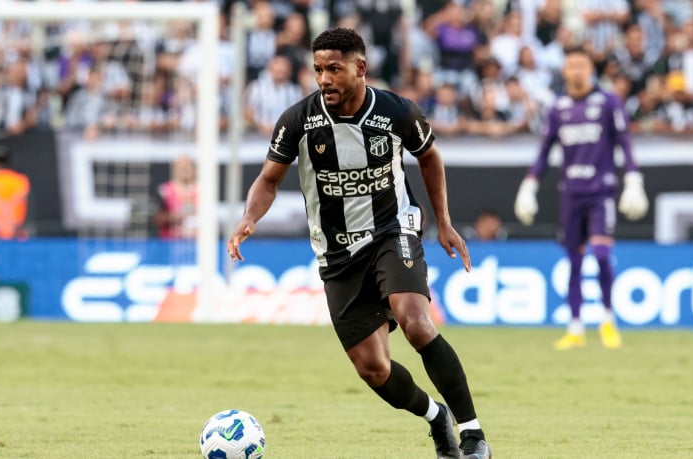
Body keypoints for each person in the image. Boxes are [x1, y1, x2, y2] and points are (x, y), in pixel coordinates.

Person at [227, 28, 491, 459]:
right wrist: (249, 218)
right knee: (373, 368)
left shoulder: (396, 112)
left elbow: (429, 156)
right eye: (318, 70)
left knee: (415, 322)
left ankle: (474, 436)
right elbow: (268, 179)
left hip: (393, 230)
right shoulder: (298, 120)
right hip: (337, 254)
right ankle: (435, 416)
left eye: (334, 69)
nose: (324, 79)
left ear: (360, 67)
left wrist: (443, 222)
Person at [513, 47, 649, 350]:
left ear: (591, 70)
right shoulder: (558, 108)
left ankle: (608, 320)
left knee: (601, 255)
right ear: (564, 71)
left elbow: (624, 142)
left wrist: (633, 178)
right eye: (571, 65)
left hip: (601, 192)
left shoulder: (608, 102)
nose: (576, 70)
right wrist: (529, 184)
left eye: (581, 65)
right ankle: (575, 327)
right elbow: (545, 151)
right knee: (574, 261)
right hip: (570, 194)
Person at [154, 155, 198, 239]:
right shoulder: (164, 191)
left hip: (197, 241)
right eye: (181, 167)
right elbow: (157, 218)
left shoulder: (204, 192)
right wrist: (176, 217)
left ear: (194, 169)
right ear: (174, 169)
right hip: (170, 241)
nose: (184, 170)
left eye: (187, 167)